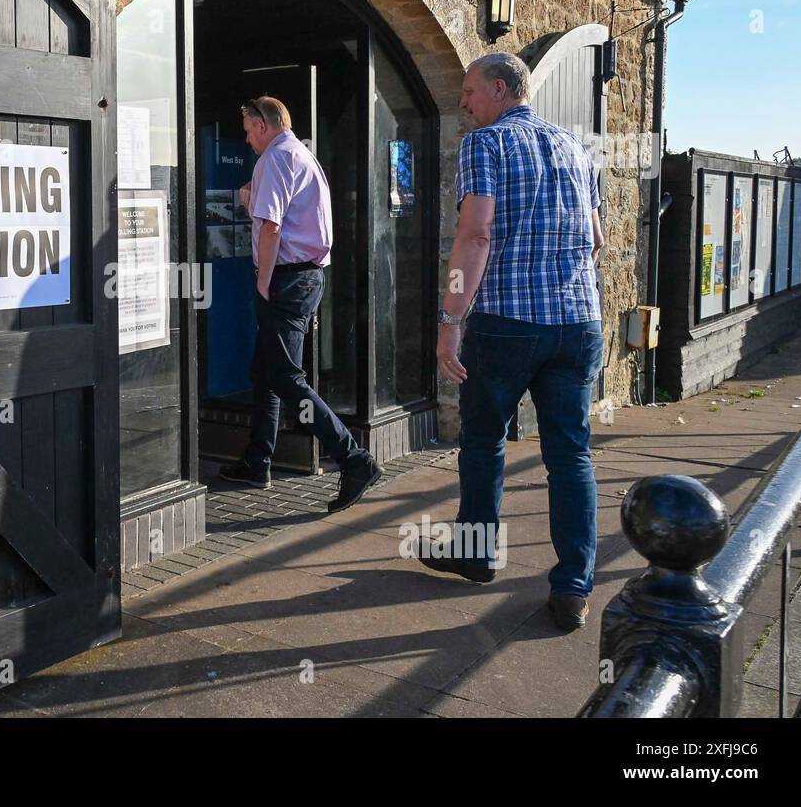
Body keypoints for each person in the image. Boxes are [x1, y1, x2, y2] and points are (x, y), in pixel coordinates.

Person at [423, 52, 605, 632]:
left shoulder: (486, 145)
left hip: (507, 323)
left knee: (483, 441)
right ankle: (574, 585)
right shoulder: (576, 147)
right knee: (570, 455)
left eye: (470, 91)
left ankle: (477, 555)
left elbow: (474, 234)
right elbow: (596, 239)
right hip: (578, 324)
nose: (464, 102)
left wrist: (451, 318)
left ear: (500, 89)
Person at [219, 96, 382, 513]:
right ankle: (259, 460)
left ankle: (354, 459)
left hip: (286, 279)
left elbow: (271, 225)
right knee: (267, 372)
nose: (246, 139)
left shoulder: (275, 157)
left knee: (287, 377)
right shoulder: (299, 154)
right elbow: (279, 214)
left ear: (261, 125)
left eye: (247, 130)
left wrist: (261, 281)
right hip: (303, 276)